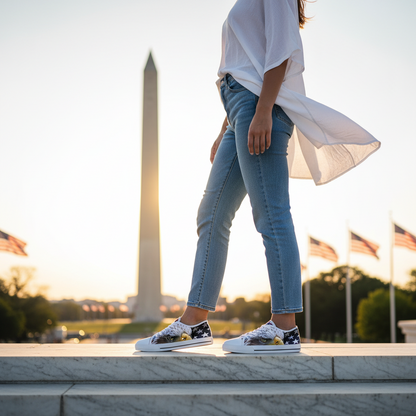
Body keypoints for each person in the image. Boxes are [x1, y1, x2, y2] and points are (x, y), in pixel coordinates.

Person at [135, 0, 380, 353]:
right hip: (239, 109)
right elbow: (244, 65)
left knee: (271, 213)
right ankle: (194, 323)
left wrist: (263, 110)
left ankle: (284, 327)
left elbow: (281, 50)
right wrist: (226, 127)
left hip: (259, 105)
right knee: (212, 214)